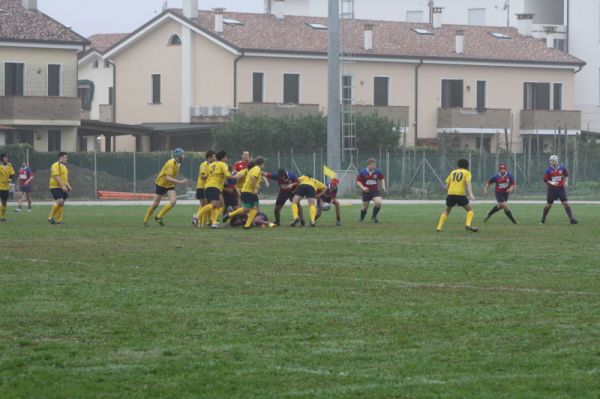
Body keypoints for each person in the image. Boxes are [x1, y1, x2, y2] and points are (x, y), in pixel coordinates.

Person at [142, 148, 187, 227]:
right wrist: (180, 182)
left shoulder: (178, 163)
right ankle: (145, 222)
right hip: (161, 184)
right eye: (183, 154)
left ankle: (159, 216)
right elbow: (167, 178)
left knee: (173, 201)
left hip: (169, 185)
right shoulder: (171, 163)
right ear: (179, 155)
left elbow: (171, 178)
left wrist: (175, 183)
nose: (184, 156)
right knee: (155, 204)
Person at [222, 157, 266, 230]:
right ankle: (246, 224)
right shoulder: (257, 168)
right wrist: (255, 188)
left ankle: (231, 216)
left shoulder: (253, 169)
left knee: (249, 209)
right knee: (253, 209)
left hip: (246, 191)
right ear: (262, 163)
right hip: (249, 191)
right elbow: (252, 177)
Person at [436, 159, 478, 233]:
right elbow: (468, 184)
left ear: (458, 165)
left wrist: (445, 190)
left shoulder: (453, 172)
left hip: (450, 194)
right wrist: (471, 194)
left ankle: (439, 227)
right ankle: (468, 224)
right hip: (460, 194)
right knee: (470, 210)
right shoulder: (467, 173)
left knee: (447, 211)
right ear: (467, 166)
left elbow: (446, 187)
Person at [197, 151, 232, 228]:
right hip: (212, 186)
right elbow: (228, 176)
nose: (227, 159)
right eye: (226, 157)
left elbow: (208, 175)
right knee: (212, 204)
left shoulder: (211, 165)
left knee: (217, 205)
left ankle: (213, 222)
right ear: (223, 158)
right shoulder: (222, 164)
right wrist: (235, 178)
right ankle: (197, 217)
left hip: (209, 186)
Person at [541, 155, 578, 225]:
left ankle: (571, 219)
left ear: (556, 161)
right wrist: (552, 182)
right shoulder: (548, 170)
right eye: (550, 161)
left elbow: (566, 175)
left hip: (560, 189)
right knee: (549, 205)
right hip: (551, 190)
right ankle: (543, 219)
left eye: (553, 161)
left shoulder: (562, 168)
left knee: (566, 203)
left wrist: (566, 182)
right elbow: (545, 180)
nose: (551, 162)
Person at [356, 158, 387, 223]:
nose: (374, 166)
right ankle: (361, 219)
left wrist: (383, 186)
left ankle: (374, 217)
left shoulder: (377, 172)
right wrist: (363, 188)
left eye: (374, 165)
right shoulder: (363, 172)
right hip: (366, 192)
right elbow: (358, 181)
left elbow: (382, 179)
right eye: (372, 165)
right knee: (365, 207)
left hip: (374, 191)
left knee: (378, 203)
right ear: (368, 165)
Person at [192, 151, 215, 227]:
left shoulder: (211, 165)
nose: (214, 158)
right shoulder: (203, 164)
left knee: (206, 205)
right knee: (204, 205)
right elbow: (203, 176)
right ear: (209, 157)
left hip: (207, 187)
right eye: (213, 157)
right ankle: (200, 223)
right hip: (201, 187)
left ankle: (202, 222)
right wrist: (211, 176)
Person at [48, 152, 71, 225]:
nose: (66, 159)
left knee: (62, 203)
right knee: (60, 201)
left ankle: (59, 221)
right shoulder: (55, 165)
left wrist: (68, 185)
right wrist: (63, 186)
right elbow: (56, 176)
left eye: (67, 157)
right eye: (65, 157)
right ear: (60, 157)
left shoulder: (64, 167)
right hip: (55, 186)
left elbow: (64, 178)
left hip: (62, 186)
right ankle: (50, 218)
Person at [0, 153, 16, 222]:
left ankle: (2, 217)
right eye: (5, 157)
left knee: (4, 202)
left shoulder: (9, 165)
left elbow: (12, 174)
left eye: (7, 157)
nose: (7, 158)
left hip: (6, 187)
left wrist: (10, 179)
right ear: (2, 158)